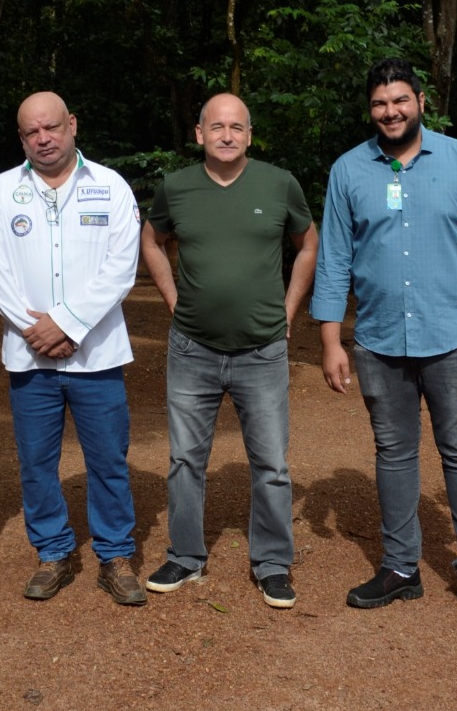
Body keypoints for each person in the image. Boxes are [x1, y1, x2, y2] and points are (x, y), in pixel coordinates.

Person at [310, 57, 457, 623]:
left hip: (452, 338)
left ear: (421, 101)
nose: (390, 111)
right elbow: (334, 262)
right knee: (394, 454)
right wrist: (331, 341)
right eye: (379, 103)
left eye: (400, 100)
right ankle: (401, 568)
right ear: (370, 110)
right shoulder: (349, 170)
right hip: (378, 341)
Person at [139, 93, 319, 609]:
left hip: (262, 350)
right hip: (192, 349)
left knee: (270, 463)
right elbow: (151, 240)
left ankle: (272, 564)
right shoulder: (176, 187)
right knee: (184, 460)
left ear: (249, 134)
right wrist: (173, 299)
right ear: (199, 134)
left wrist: (288, 311)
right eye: (216, 127)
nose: (225, 135)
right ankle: (185, 556)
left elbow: (308, 243)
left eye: (236, 127)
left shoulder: (278, 183)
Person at [0, 92, 147, 606]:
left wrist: (68, 324)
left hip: (97, 356)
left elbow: (121, 267)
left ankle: (114, 555)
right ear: (22, 138)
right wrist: (38, 332)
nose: (43, 138)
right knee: (36, 461)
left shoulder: (110, 187)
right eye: (31, 132)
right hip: (30, 357)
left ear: (72, 124)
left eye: (51, 127)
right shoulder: (2, 191)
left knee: (108, 460)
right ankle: (52, 552)